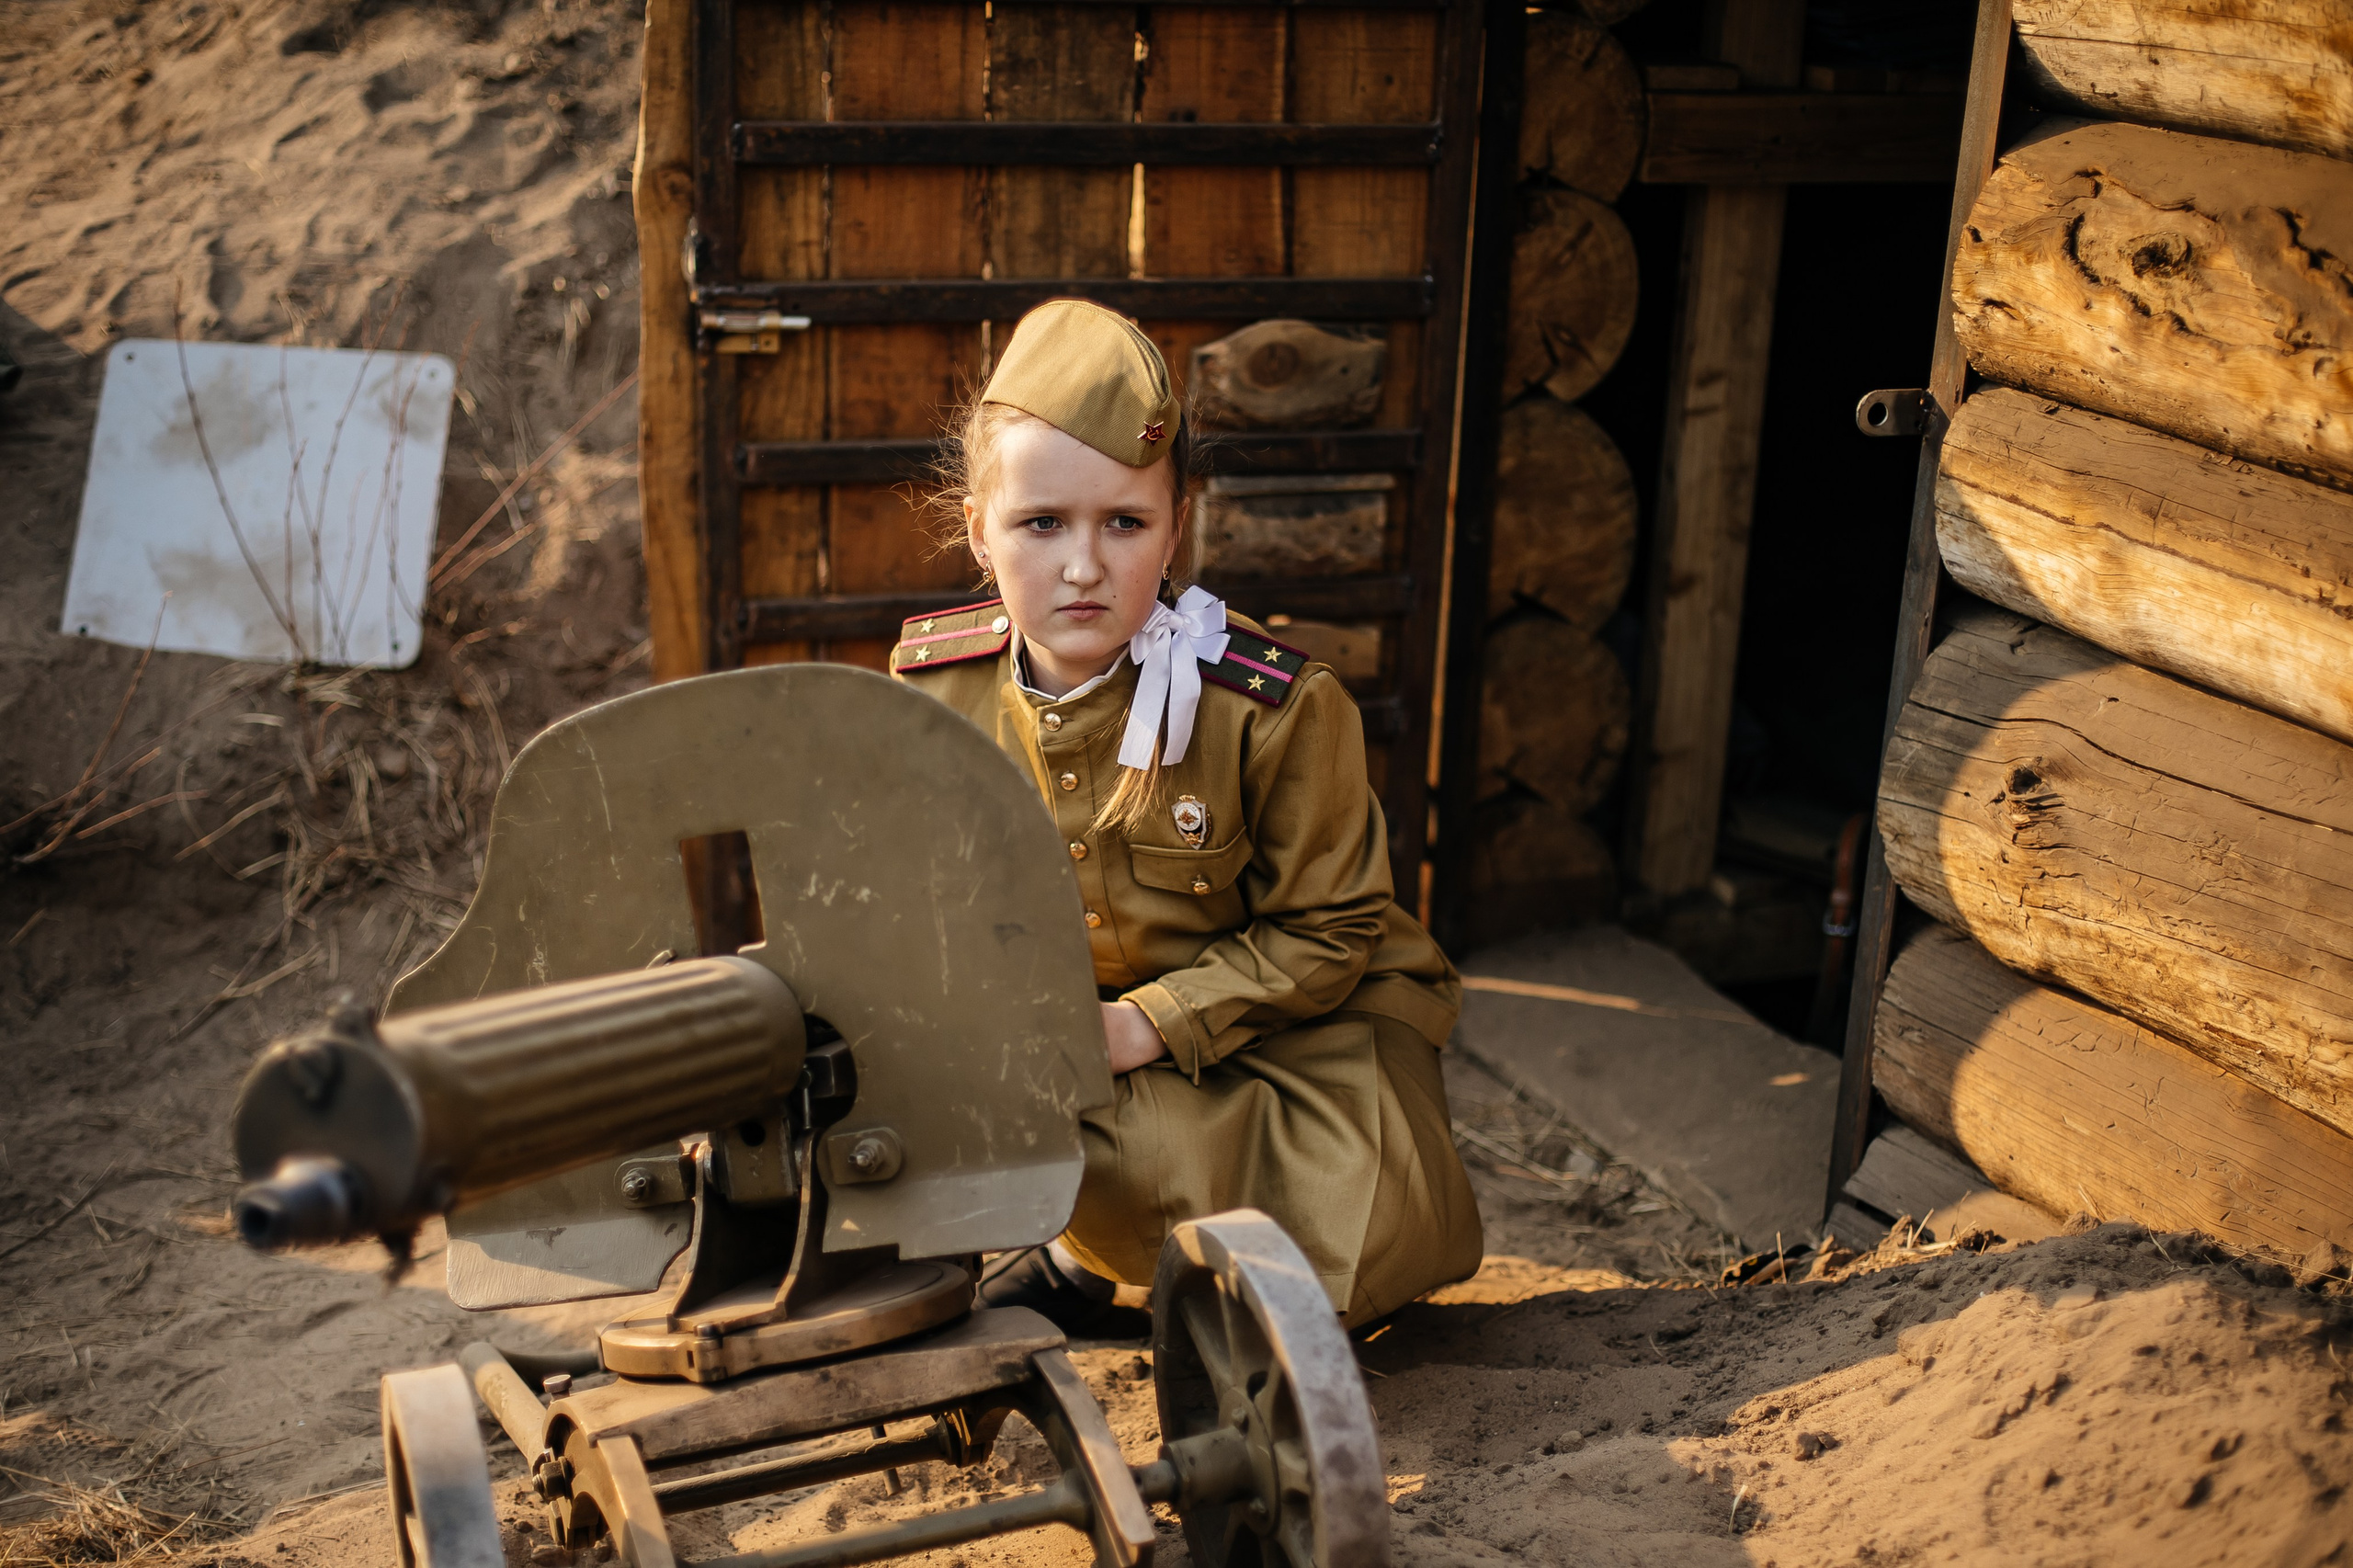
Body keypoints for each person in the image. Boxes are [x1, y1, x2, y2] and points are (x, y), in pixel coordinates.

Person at [891, 299, 1482, 1333]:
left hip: (1292, 1030)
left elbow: (1331, 931)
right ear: (979, 528)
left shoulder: (1271, 705)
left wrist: (1147, 1024)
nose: (1084, 566)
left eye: (1125, 523)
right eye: (1042, 523)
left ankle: (1123, 1254)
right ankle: (1078, 1262)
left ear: (1177, 527)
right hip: (1070, 1036)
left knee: (1356, 1235)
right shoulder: (932, 694)